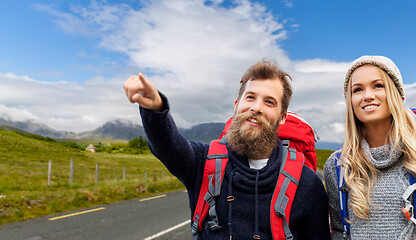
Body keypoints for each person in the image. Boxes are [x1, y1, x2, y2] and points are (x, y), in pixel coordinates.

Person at [124, 60, 331, 239]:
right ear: (236, 105)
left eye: (269, 102)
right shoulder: (203, 162)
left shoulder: (307, 183)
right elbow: (168, 145)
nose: (256, 107)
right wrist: (154, 108)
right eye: (250, 97)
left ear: (282, 117)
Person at [324, 56, 416, 239]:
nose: (367, 96)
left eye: (378, 86)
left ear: (396, 93)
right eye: (357, 89)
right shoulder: (337, 166)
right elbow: (338, 231)